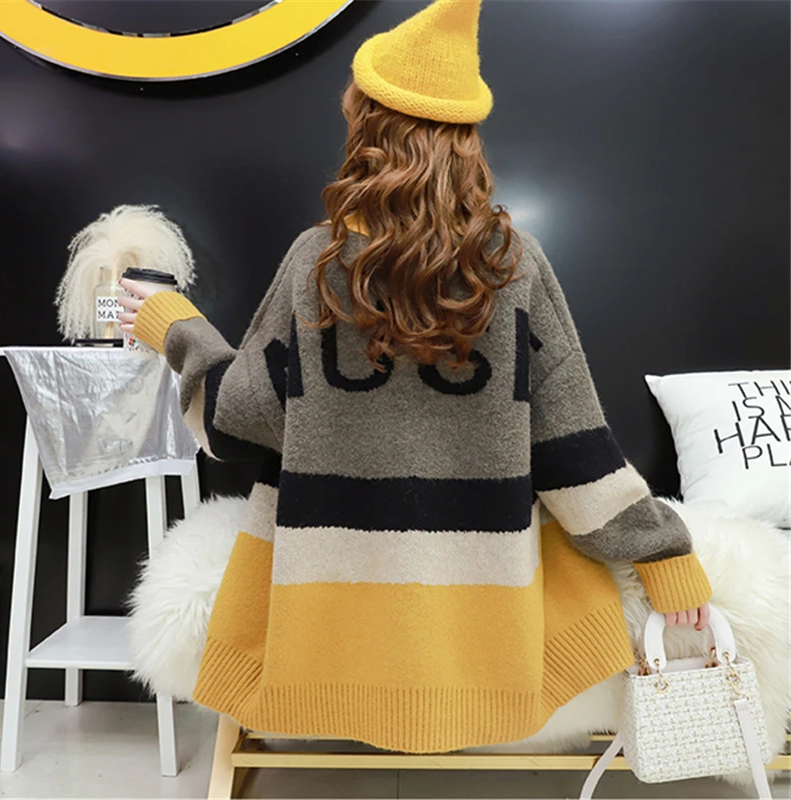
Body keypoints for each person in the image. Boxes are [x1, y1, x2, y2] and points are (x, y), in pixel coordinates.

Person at [119, 0, 712, 755]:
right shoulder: (514, 265)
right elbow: (574, 449)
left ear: (369, 130)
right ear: (463, 142)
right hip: (481, 627)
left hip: (331, 626)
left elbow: (236, 422)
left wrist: (176, 328)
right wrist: (666, 558)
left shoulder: (316, 263)